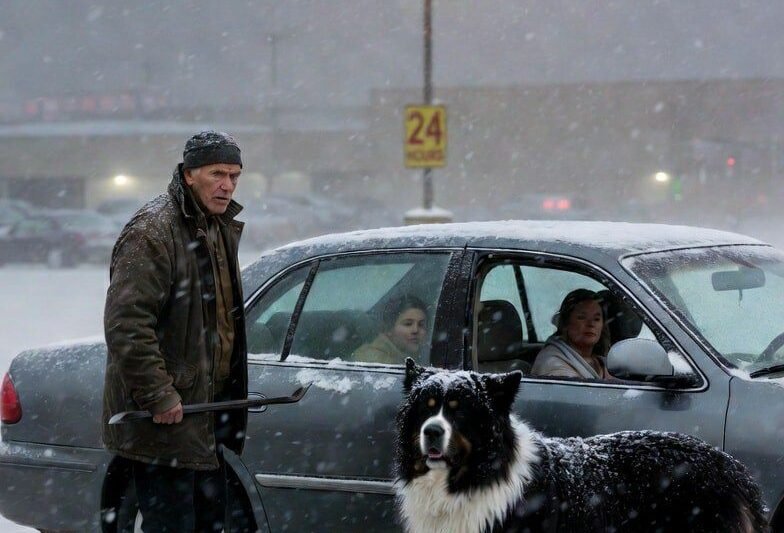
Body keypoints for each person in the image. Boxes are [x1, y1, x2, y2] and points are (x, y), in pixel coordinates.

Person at [102, 130, 248, 532]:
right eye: (218, 173)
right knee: (172, 525)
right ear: (188, 174)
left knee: (208, 524)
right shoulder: (153, 231)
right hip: (166, 421)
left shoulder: (218, 227)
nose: (227, 185)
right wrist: (158, 394)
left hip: (208, 412)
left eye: (234, 176)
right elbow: (127, 324)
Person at [530, 288, 612, 379]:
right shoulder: (552, 363)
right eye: (582, 317)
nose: (591, 324)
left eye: (596, 319)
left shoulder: (601, 363)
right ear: (566, 323)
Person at [353, 295, 429, 364]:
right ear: (389, 329)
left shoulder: (408, 356)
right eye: (408, 324)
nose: (415, 330)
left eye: (421, 325)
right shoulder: (374, 360)